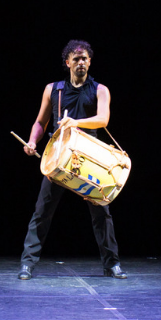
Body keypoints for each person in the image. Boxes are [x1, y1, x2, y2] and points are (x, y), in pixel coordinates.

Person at [19, 40, 126, 280]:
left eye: (84, 58)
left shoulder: (100, 89)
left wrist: (76, 122)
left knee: (101, 213)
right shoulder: (53, 89)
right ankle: (27, 264)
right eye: (76, 59)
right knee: (42, 211)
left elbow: (103, 119)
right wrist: (32, 141)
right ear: (67, 62)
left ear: (90, 62)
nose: (81, 62)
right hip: (59, 156)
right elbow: (40, 122)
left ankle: (112, 264)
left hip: (89, 158)